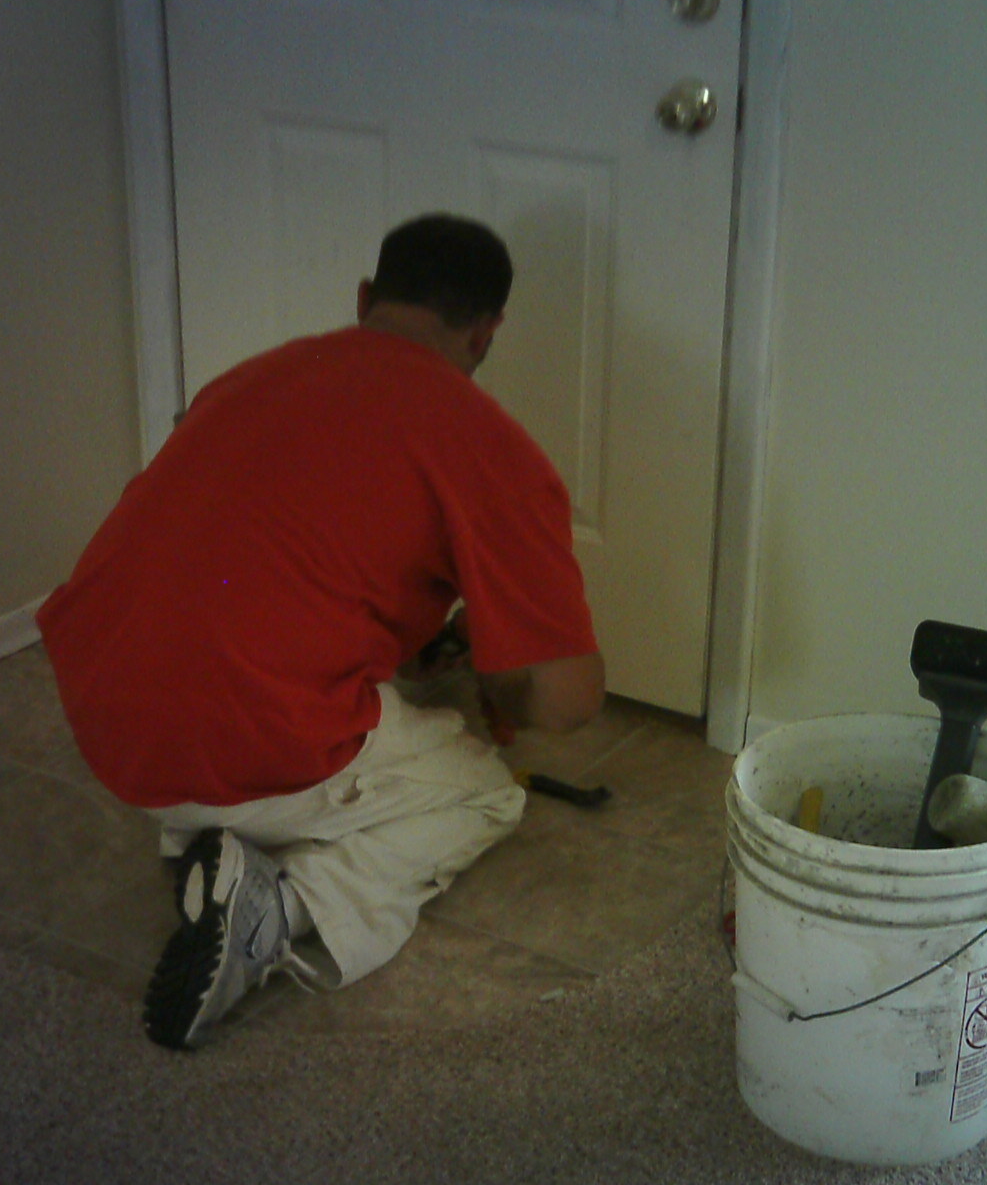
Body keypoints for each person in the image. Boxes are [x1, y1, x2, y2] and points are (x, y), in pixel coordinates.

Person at [37, 214, 603, 1050]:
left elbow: (270, 565)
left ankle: (216, 837)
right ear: (487, 333)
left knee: (276, 691)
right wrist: (500, 667)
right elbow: (567, 700)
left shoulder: (248, 380)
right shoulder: (488, 446)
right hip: (233, 738)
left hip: (105, 718)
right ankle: (279, 906)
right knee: (485, 791)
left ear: (368, 296)